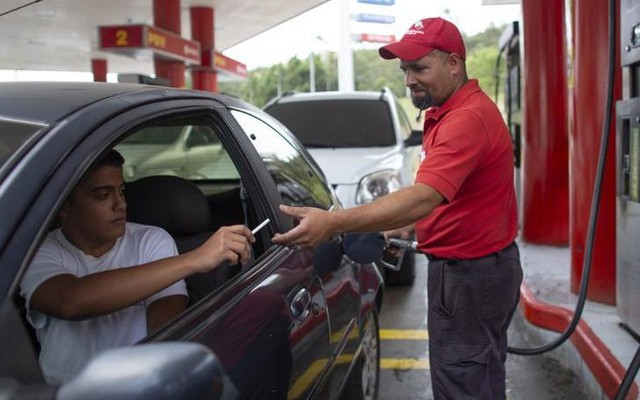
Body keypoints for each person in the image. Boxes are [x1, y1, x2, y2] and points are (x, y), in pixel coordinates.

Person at [272, 17, 522, 400]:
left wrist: (335, 223)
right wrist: (406, 226)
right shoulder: (451, 110)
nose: (408, 80)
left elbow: (423, 195)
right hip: (478, 272)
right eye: (405, 69)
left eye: (419, 68)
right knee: (478, 377)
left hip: (469, 277)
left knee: (463, 385)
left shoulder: (466, 119)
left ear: (453, 63)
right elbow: (453, 198)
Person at [20, 149, 255, 384]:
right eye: (103, 195)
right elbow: (69, 300)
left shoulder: (150, 240)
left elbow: (165, 329)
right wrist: (196, 258)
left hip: (140, 385)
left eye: (121, 191)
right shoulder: (39, 251)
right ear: (63, 207)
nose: (120, 204)